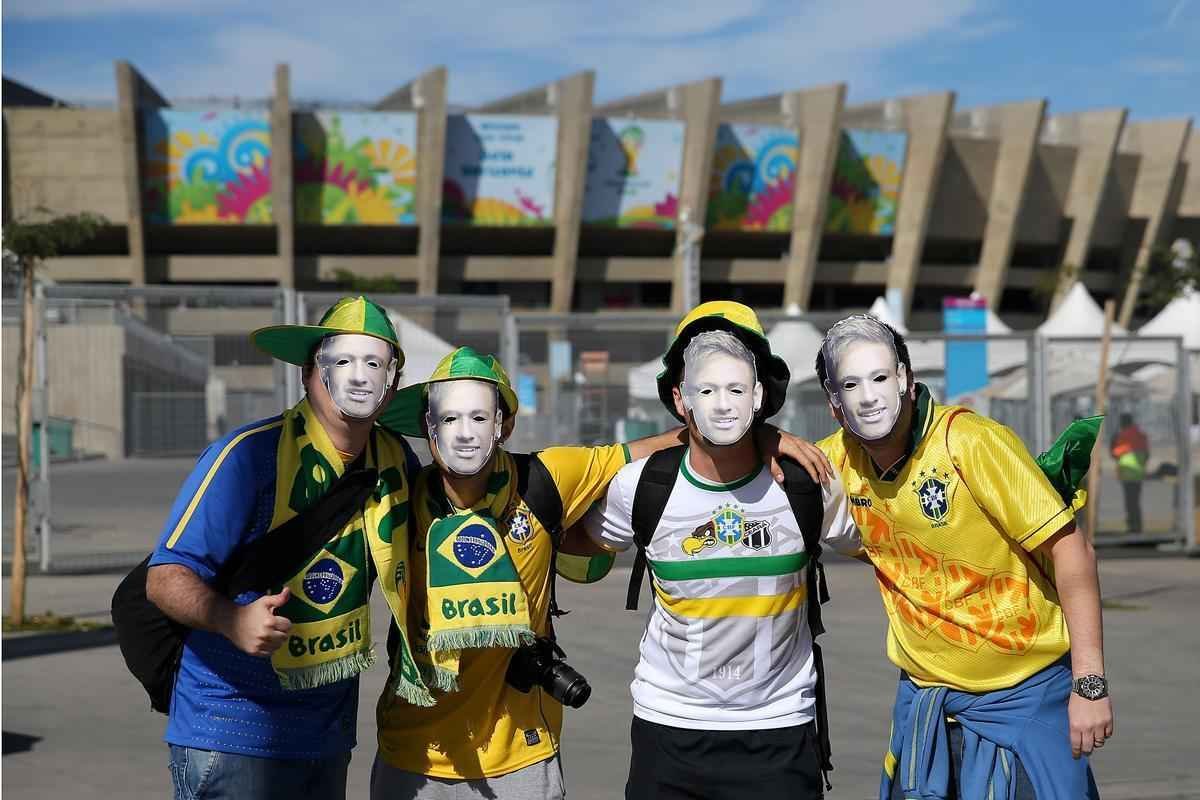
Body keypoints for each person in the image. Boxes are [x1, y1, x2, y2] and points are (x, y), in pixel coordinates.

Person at [369, 344, 831, 800]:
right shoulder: (397, 498)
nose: (464, 433)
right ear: (427, 429)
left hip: (521, 757)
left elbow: (670, 440)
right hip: (413, 753)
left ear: (504, 424)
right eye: (448, 419)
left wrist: (765, 435)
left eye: (479, 417)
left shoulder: (548, 477)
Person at [813, 314, 1111, 800]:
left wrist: (1090, 684)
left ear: (907, 381)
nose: (868, 396)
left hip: (1025, 697)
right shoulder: (832, 464)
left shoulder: (969, 443)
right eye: (850, 384)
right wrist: (770, 441)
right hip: (928, 705)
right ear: (834, 404)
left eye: (881, 377)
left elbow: (1072, 552)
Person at [583, 301, 862, 800]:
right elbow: (564, 542)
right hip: (668, 731)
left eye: (736, 386)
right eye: (704, 387)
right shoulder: (641, 486)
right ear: (680, 396)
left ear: (759, 393)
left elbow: (888, 546)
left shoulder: (807, 485)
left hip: (779, 733)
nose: (722, 402)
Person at [146, 296, 420, 800]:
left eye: (375, 363)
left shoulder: (396, 461)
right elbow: (165, 577)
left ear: (392, 383)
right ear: (307, 374)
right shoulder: (248, 456)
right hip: (231, 733)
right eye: (340, 361)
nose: (358, 378)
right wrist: (230, 618)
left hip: (327, 735)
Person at [1110, 412, 1150, 533]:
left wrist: (1113, 443)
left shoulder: (1122, 436)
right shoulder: (1141, 435)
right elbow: (1147, 454)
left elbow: (1115, 453)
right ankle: (1137, 526)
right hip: (1138, 473)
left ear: (1123, 423)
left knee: (1130, 502)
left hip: (1127, 473)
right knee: (1135, 502)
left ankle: (1133, 527)